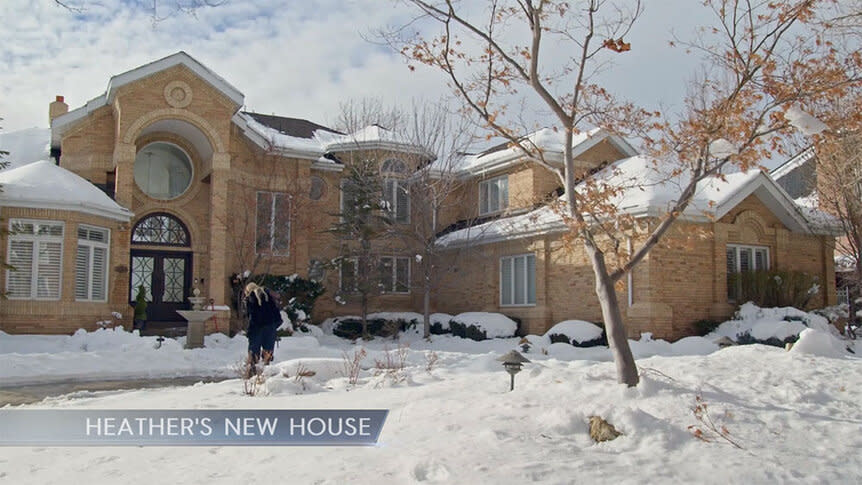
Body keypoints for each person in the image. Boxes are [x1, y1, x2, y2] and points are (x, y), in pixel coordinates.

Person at [244, 282, 283, 372]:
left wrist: (250, 331)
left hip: (257, 327)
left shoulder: (251, 297)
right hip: (271, 326)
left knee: (254, 352)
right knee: (268, 352)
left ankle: (252, 372)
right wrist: (274, 326)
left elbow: (252, 316)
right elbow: (276, 313)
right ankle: (266, 371)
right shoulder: (268, 296)